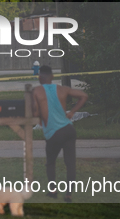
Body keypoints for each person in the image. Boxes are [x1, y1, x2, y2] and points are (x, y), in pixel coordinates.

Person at [32, 65, 88, 202]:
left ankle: (53, 191)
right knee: (70, 164)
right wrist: (72, 111)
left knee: (50, 162)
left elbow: (35, 112)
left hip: (53, 133)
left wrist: (38, 118)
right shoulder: (63, 89)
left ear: (40, 77)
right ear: (52, 77)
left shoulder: (37, 91)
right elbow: (84, 96)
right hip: (68, 129)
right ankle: (68, 195)